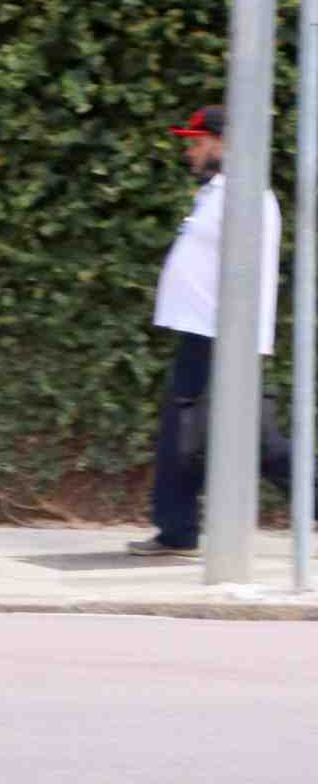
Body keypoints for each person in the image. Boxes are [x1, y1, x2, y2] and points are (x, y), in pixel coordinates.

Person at [132, 104, 295, 556]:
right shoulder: (220, 193)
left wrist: (241, 339)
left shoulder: (245, 196)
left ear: (224, 143)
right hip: (206, 333)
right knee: (200, 434)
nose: (191, 152)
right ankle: (177, 530)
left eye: (198, 143)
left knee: (231, 438)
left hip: (223, 337)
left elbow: (250, 274)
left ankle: (177, 530)